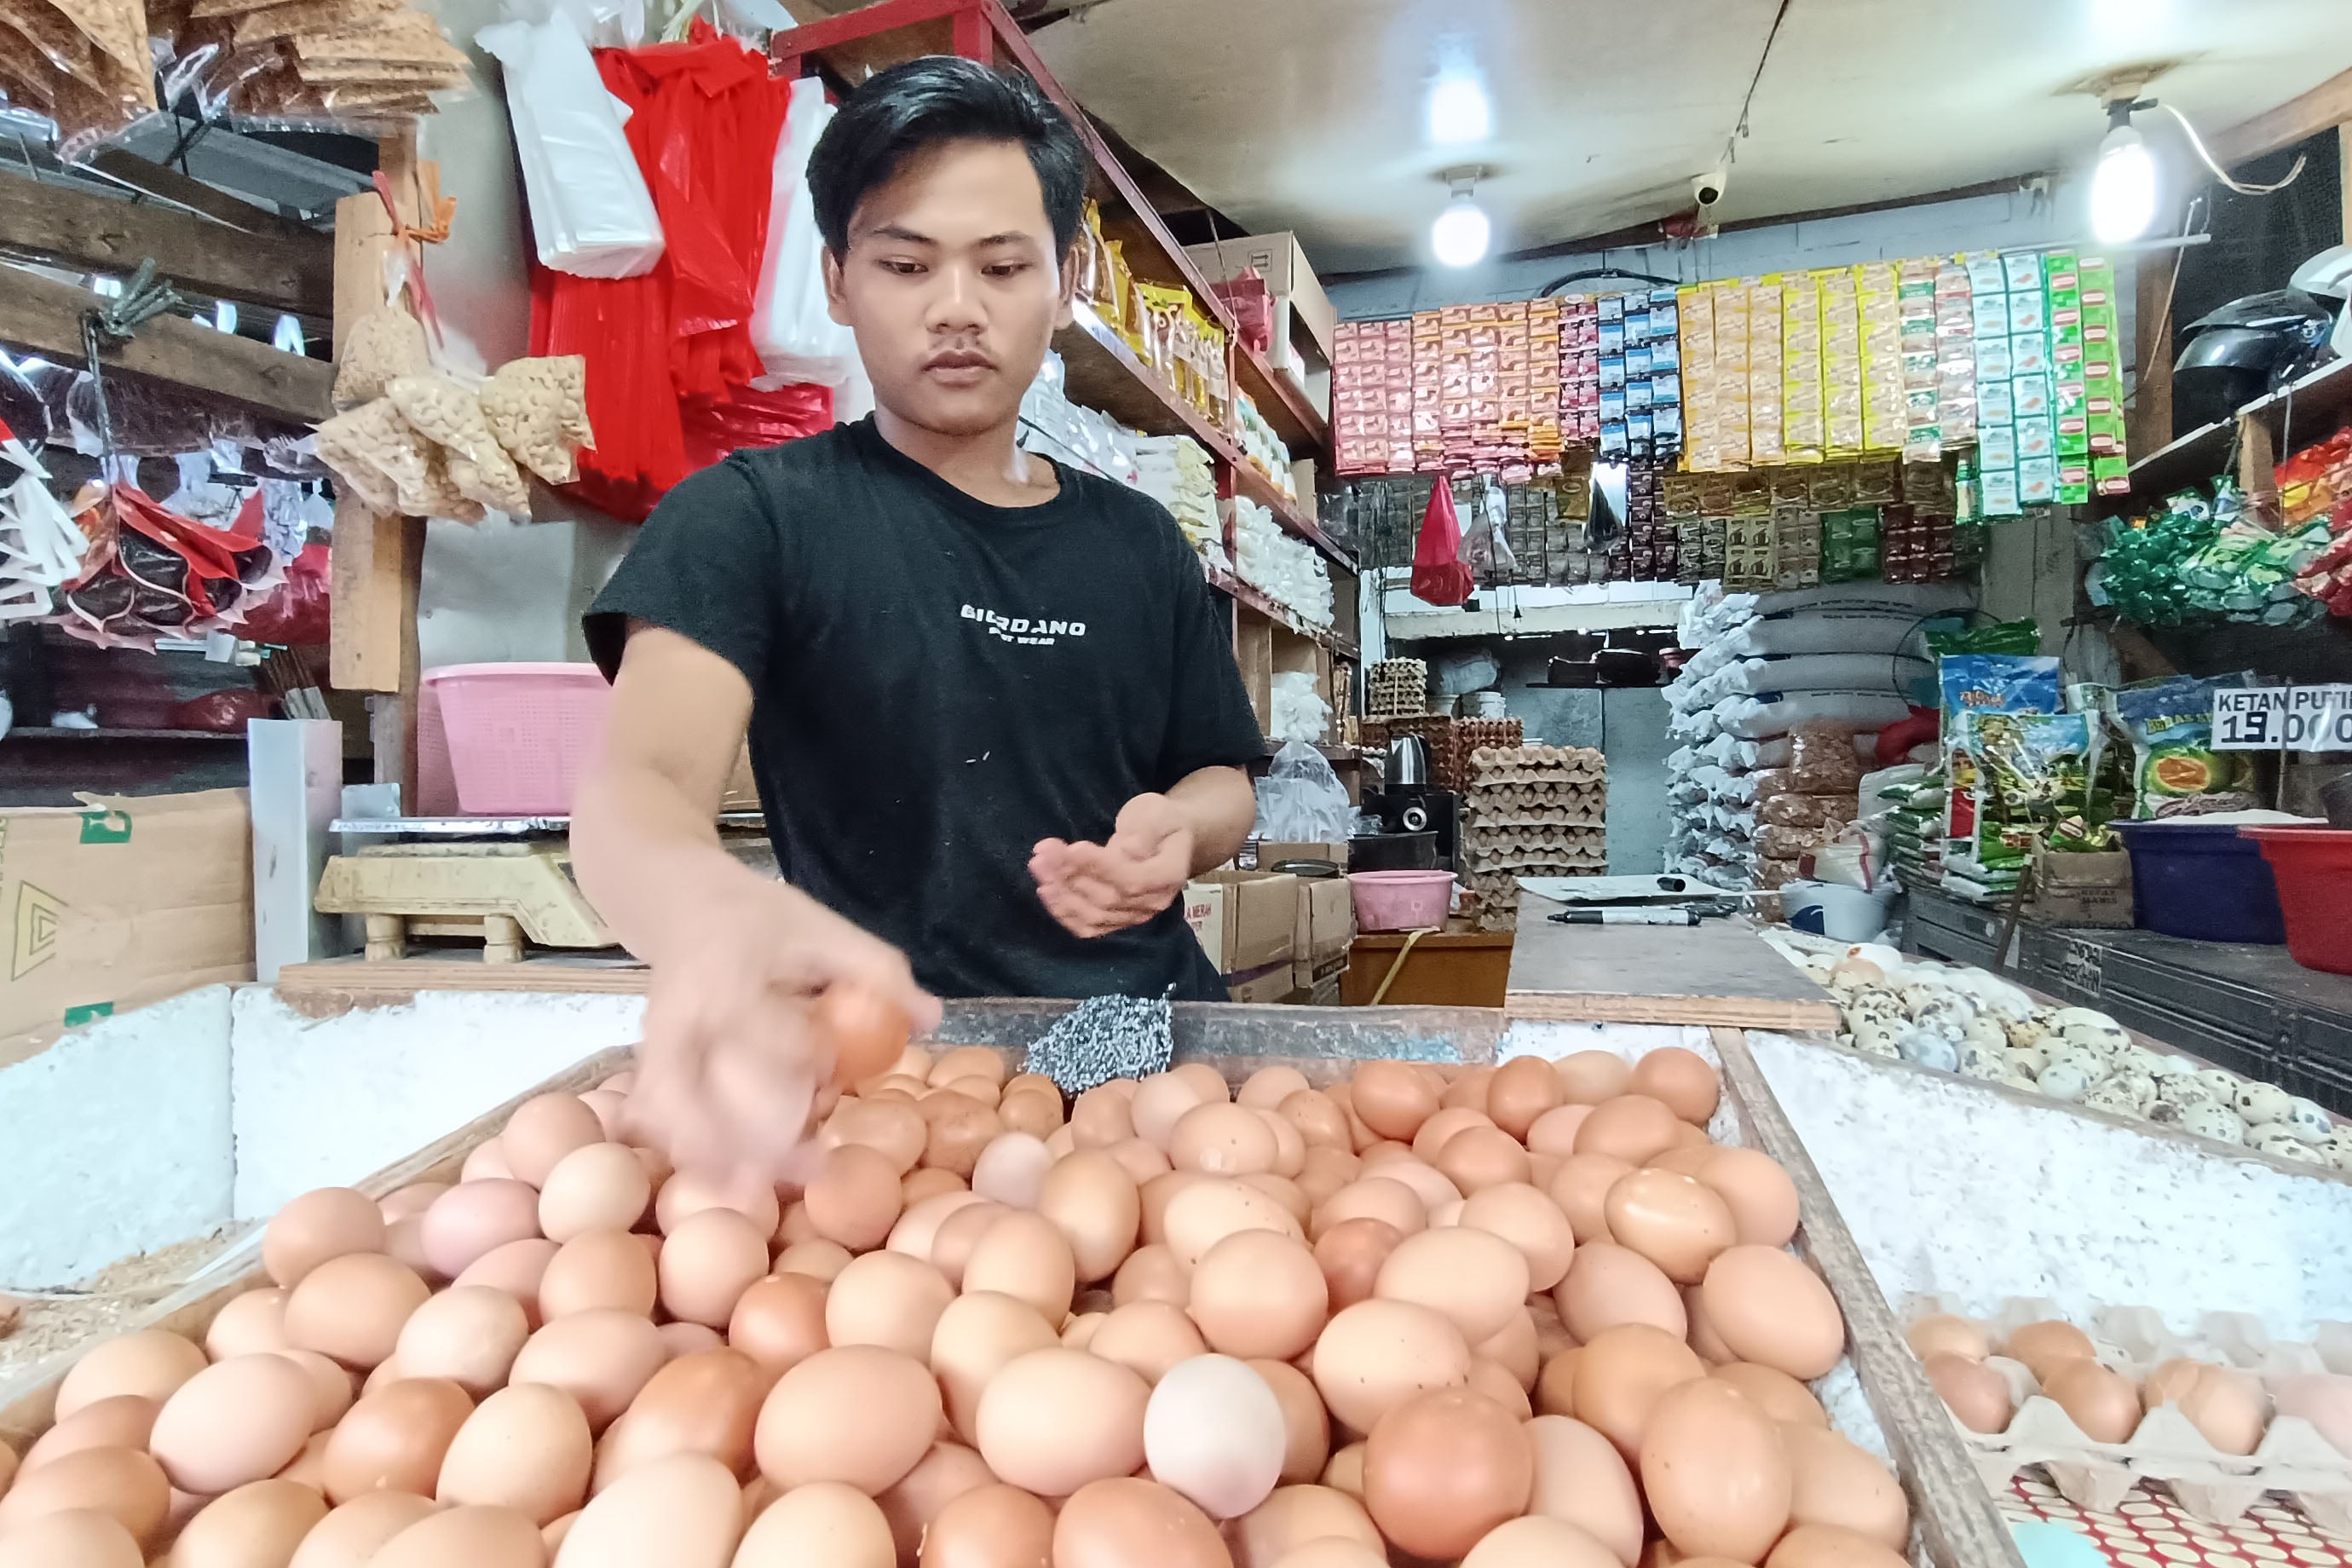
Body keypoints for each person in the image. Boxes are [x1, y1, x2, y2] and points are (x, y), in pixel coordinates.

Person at [573, 55, 1264, 1176]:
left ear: (1066, 277)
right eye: (905, 263)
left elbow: (1223, 777)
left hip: (1144, 1040)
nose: (957, 309)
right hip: (901, 1063)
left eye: (1002, 266)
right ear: (839, 280)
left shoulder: (1138, 541)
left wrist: (1178, 832)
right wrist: (706, 917)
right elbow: (635, 786)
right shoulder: (751, 519)